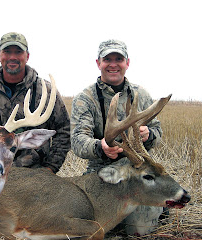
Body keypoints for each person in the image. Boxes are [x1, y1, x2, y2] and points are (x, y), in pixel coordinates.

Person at [70, 39, 165, 236]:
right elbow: (78, 140)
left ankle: (158, 209)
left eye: (118, 59)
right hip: (101, 174)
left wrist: (149, 135)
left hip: (137, 173)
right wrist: (99, 146)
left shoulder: (141, 95)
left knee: (140, 229)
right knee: (84, 227)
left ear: (127, 63)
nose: (113, 64)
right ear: (98, 63)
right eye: (107, 59)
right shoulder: (86, 98)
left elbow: (157, 132)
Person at [0, 32, 70, 174]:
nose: (12, 57)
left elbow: (63, 130)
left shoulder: (46, 91)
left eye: (18, 52)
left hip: (33, 173)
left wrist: (50, 168)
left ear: (27, 56)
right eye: (7, 52)